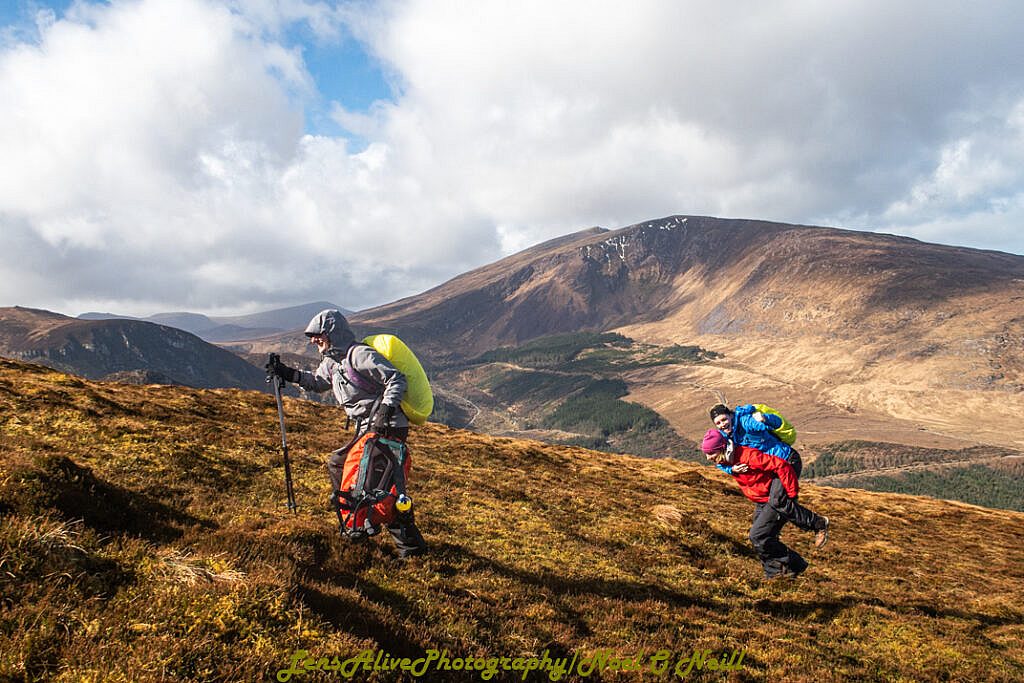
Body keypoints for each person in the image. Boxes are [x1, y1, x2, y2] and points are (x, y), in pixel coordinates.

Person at [267, 309, 427, 558]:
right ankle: (354, 522)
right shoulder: (332, 362)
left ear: (332, 333)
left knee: (377, 486)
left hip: (388, 426)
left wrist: (385, 410)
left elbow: (396, 379)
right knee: (338, 465)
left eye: (318, 335)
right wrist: (288, 373)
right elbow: (318, 383)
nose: (313, 340)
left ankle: (413, 552)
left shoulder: (360, 355)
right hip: (366, 427)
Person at [701, 428, 829, 579]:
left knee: (758, 535)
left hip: (771, 499)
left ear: (722, 449)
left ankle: (797, 559)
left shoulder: (748, 456)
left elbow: (781, 465)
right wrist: (732, 469)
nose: (708, 458)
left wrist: (791, 493)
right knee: (760, 538)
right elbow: (725, 464)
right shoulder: (726, 459)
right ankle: (776, 574)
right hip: (762, 500)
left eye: (711, 453)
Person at [709, 403, 802, 478]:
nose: (722, 424)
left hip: (786, 459)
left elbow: (777, 423)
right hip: (769, 468)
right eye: (718, 423)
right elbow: (719, 460)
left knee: (778, 498)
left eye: (724, 419)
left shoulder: (746, 422)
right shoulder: (724, 438)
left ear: (731, 416)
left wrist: (765, 419)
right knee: (768, 500)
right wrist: (732, 469)